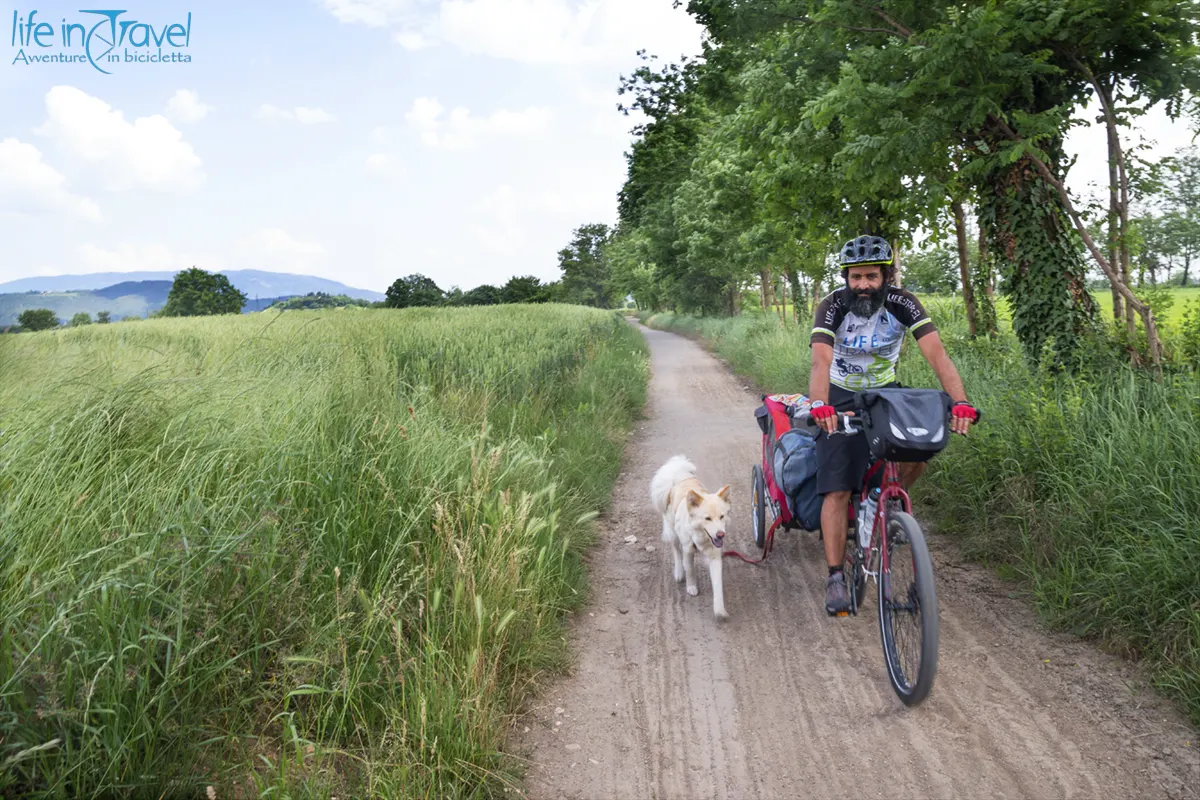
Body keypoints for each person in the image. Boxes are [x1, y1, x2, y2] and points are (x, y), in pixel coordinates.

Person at [807, 234, 978, 615]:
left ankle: (875, 501)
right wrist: (819, 405)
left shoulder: (902, 304)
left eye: (871, 276)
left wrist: (961, 401)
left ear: (886, 276)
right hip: (839, 394)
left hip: (886, 395)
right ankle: (835, 575)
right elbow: (820, 361)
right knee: (835, 487)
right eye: (855, 277)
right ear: (846, 278)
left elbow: (938, 355)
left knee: (918, 451)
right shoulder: (832, 306)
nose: (863, 285)